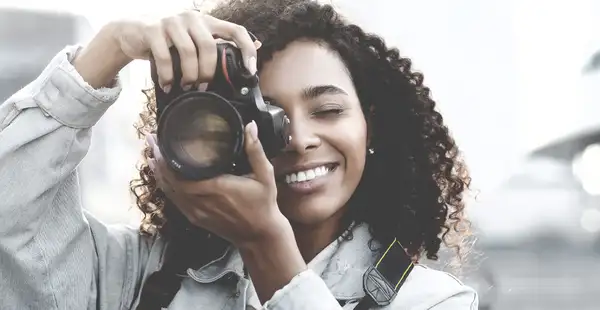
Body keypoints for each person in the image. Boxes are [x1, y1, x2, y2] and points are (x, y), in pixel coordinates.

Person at [0, 0, 478, 309]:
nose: (298, 138)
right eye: (265, 116)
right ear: (210, 134)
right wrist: (110, 49)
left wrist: (267, 246)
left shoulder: (433, 302)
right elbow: (10, 219)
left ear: (369, 124)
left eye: (328, 109)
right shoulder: (142, 276)